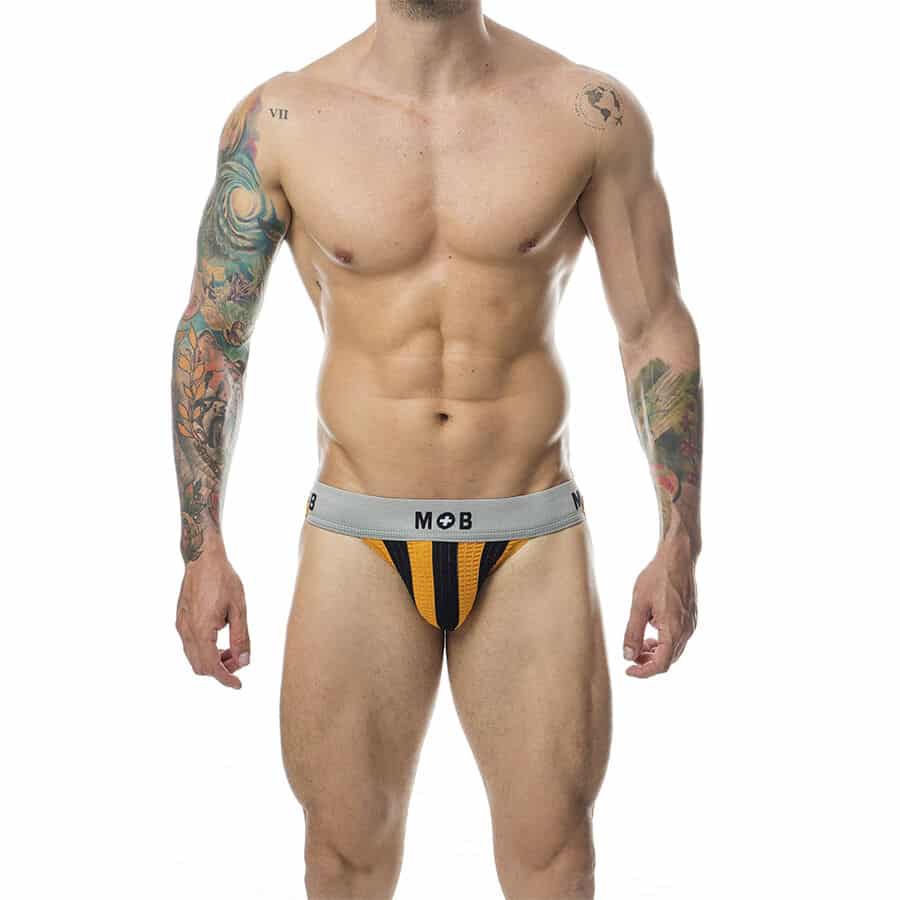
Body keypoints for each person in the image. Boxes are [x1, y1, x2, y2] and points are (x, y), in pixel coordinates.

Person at [171, 2, 702, 897]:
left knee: (555, 864)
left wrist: (680, 538)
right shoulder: (283, 118)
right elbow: (213, 338)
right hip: (358, 532)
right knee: (343, 863)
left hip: (529, 532)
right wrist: (202, 547)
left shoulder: (585, 111)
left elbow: (652, 327)